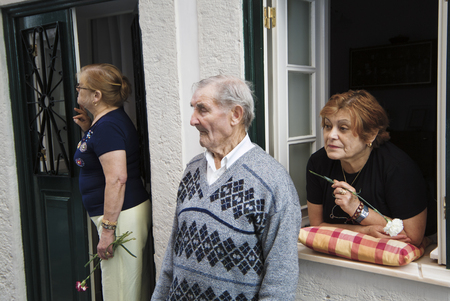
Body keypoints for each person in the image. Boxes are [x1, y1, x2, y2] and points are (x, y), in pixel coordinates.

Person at [151, 75, 301, 300]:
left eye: (202, 109)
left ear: (236, 115)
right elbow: (173, 253)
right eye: (193, 109)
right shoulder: (192, 170)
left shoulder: (272, 182)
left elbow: (281, 279)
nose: (192, 120)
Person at [306, 89, 436, 247]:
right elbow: (317, 226)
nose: (331, 135)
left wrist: (358, 209)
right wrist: (364, 231)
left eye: (343, 128)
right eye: (327, 126)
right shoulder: (318, 163)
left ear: (370, 134)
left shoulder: (398, 168)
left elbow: (412, 237)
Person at [73, 63, 151, 301]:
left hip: (121, 217)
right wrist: (89, 128)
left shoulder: (108, 126)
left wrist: (108, 231)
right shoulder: (105, 123)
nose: (77, 91)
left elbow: (117, 179)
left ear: (96, 96)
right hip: (122, 214)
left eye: (80, 87)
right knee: (127, 285)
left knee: (120, 290)